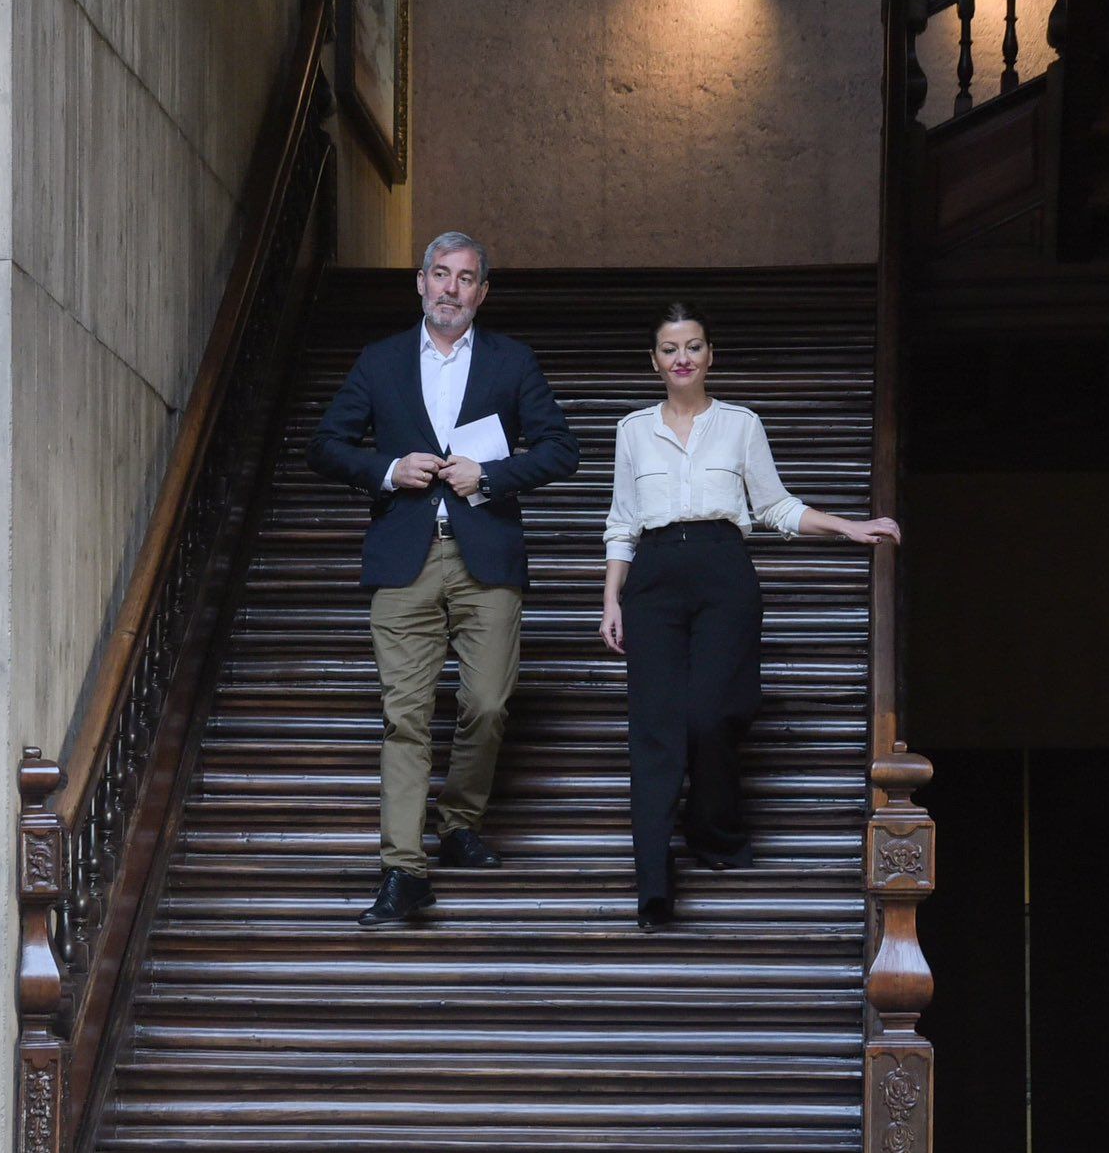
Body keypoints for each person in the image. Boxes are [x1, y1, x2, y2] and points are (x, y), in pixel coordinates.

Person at [308, 231, 580, 927]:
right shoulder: (380, 361)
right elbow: (326, 445)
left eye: (465, 278)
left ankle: (459, 821)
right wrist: (386, 470)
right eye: (440, 274)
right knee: (404, 716)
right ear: (421, 283)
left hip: (485, 558)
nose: (451, 288)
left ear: (481, 292)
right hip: (403, 561)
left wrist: (490, 474)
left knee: (487, 703)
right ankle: (403, 870)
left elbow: (561, 450)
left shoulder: (511, 361)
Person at [599, 301, 900, 930]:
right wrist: (611, 599)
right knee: (655, 730)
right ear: (653, 362)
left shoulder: (740, 424)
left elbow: (774, 506)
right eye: (670, 349)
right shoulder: (631, 429)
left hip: (722, 569)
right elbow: (623, 522)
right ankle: (653, 883)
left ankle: (712, 829)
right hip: (653, 576)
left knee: (711, 716)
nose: (682, 358)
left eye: (694, 346)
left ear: (711, 355)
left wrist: (848, 527)